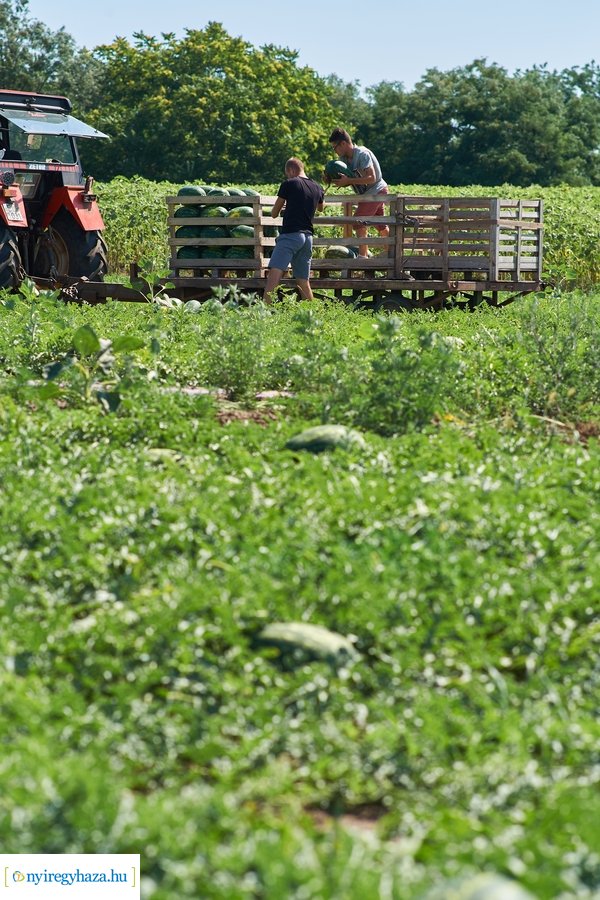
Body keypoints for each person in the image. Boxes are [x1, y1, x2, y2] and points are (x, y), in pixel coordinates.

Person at [264, 157, 324, 301]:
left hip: (291, 235)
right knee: (303, 281)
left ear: (291, 170)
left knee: (274, 275)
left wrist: (285, 207)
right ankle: (311, 311)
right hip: (308, 238)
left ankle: (264, 309)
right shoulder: (317, 187)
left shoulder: (289, 183)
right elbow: (321, 208)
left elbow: (274, 213)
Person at [328, 127, 389, 258]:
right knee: (381, 225)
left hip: (376, 190)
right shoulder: (343, 160)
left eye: (335, 147)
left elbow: (371, 178)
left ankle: (363, 257)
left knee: (358, 221)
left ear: (343, 143)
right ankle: (393, 253)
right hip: (367, 194)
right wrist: (330, 178)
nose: (335, 151)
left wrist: (348, 180)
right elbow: (347, 179)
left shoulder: (362, 154)